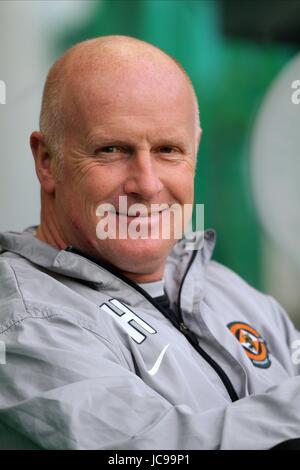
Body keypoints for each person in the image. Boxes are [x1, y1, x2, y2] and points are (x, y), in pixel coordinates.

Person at [0, 35, 300, 450]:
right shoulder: (24, 324)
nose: (147, 183)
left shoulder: (230, 291)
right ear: (47, 161)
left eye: (168, 150)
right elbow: (155, 453)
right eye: (111, 149)